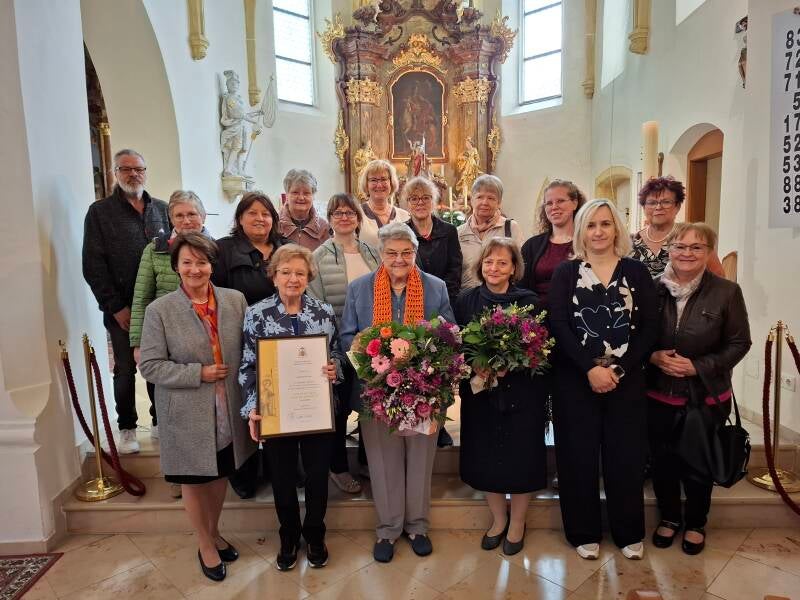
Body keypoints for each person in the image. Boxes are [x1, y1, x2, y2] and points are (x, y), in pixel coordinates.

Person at [139, 233, 255, 583]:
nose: (195, 269)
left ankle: (215, 531)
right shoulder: (160, 310)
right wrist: (198, 373)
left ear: (211, 265)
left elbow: (249, 349)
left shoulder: (234, 300)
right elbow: (150, 365)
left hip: (228, 403)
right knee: (193, 477)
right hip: (187, 408)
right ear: (176, 267)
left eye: (201, 262)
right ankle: (204, 543)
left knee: (220, 471)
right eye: (187, 262)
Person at [549, 199, 658, 561]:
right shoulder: (566, 273)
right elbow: (559, 326)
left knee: (624, 457)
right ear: (581, 230)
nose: (598, 231)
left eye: (605, 224)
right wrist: (589, 369)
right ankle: (583, 531)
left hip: (625, 380)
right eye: (591, 225)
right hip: (575, 378)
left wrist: (618, 370)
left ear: (617, 229)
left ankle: (627, 532)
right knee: (577, 457)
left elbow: (649, 329)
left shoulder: (637, 272)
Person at [341, 222, 454, 563]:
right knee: (382, 460)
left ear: (415, 253)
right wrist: (365, 351)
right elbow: (347, 336)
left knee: (420, 460)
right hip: (376, 392)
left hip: (424, 390)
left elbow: (449, 333)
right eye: (392, 252)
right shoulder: (359, 289)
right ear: (380, 254)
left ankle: (417, 526)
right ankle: (388, 529)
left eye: (406, 252)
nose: (399, 259)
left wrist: (428, 352)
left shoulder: (435, 288)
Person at [647, 222, 751, 555]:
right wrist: (652, 355)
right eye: (680, 246)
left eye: (697, 247)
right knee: (662, 461)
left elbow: (739, 342)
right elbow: (636, 337)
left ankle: (696, 523)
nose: (687, 253)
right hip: (658, 392)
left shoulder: (726, 292)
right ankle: (669, 518)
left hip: (704, 395)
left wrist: (697, 366)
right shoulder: (652, 290)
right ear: (669, 249)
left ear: (708, 252)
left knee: (697, 463)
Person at [240, 244, 344, 572]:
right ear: (273, 276)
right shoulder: (256, 314)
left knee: (316, 476)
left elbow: (339, 354)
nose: (293, 278)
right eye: (285, 272)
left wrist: (334, 369)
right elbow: (247, 367)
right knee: (282, 478)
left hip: (317, 410)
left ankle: (314, 534)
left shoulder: (324, 312)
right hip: (276, 413)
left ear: (309, 277)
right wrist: (252, 408)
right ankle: (288, 535)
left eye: (300, 273)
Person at [454, 237, 546, 556]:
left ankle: (518, 522)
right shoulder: (465, 300)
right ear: (480, 265)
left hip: (522, 394)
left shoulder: (529, 301)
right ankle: (497, 520)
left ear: (514, 268)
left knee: (522, 456)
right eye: (489, 261)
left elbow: (541, 348)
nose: (494, 268)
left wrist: (515, 363)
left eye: (502, 262)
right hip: (481, 394)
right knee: (487, 456)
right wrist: (477, 364)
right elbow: (456, 344)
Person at [82, 149, 170, 454]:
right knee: (124, 369)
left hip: (159, 308)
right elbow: (93, 264)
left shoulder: (161, 208)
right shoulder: (100, 212)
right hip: (122, 307)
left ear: (146, 171)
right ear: (114, 173)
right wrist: (116, 307)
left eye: (139, 169)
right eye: (126, 169)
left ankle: (160, 421)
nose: (134, 175)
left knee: (157, 365)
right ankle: (128, 428)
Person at [307, 194, 380, 494]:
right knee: (338, 409)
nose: (345, 217)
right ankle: (337, 466)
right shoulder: (319, 256)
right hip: (336, 342)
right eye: (338, 212)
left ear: (359, 218)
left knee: (369, 403)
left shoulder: (371, 253)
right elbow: (315, 302)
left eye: (350, 212)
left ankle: (366, 460)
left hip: (371, 344)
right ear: (330, 218)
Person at [212, 191, 284, 498]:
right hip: (239, 340)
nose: (260, 219)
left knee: (279, 404)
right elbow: (214, 296)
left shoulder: (284, 248)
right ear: (240, 218)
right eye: (252, 213)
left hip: (283, 341)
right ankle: (244, 473)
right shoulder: (224, 250)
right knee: (247, 404)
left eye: (266, 214)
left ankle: (281, 467)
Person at [403, 175, 462, 448]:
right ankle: (413, 418)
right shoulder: (403, 232)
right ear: (407, 202)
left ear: (434, 201)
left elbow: (454, 269)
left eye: (425, 197)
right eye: (414, 198)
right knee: (415, 368)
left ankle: (438, 423)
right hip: (410, 307)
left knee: (438, 369)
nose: (419, 203)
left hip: (442, 305)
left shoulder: (448, 231)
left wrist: (439, 299)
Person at [631, 176, 724, 278]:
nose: (658, 207)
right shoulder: (630, 242)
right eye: (652, 203)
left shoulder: (694, 237)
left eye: (666, 202)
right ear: (644, 207)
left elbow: (718, 276)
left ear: (677, 206)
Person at [519, 179, 586, 308]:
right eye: (549, 203)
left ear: (575, 203)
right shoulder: (531, 246)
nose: (554, 207)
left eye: (560, 201)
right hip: (539, 319)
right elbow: (521, 288)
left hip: (577, 318)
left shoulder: (587, 243)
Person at [458, 174, 523, 290]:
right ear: (472, 200)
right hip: (467, 300)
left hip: (502, 300)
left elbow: (519, 266)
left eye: (491, 198)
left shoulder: (510, 228)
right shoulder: (459, 233)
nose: (485, 202)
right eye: (479, 197)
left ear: (499, 202)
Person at [357, 159, 410, 248]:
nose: (379, 185)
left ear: (391, 183)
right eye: (373, 180)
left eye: (383, 179)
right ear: (366, 184)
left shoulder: (405, 216)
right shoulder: (356, 214)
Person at [277, 169, 330, 251]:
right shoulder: (274, 224)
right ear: (287, 195)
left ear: (313, 196)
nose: (301, 198)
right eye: (295, 192)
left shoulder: (324, 228)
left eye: (306, 193)